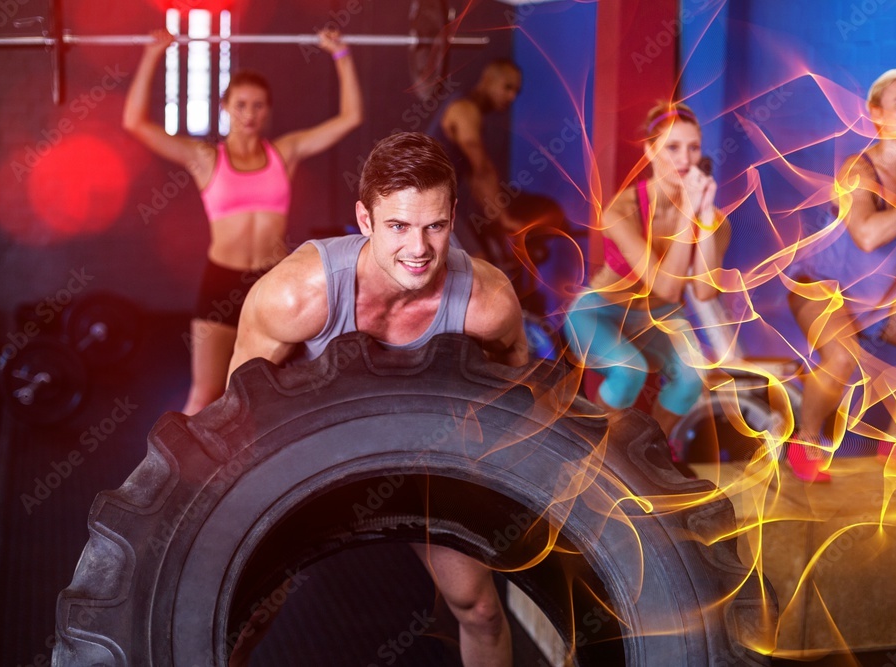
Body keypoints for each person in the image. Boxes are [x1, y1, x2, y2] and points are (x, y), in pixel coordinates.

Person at [227, 132, 527, 666]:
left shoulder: (486, 301)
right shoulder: (297, 294)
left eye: (435, 226)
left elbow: (517, 389)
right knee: (243, 607)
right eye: (398, 226)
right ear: (364, 220)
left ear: (454, 215)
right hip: (309, 454)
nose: (419, 249)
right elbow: (234, 416)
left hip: (419, 455)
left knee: (479, 608)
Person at [123, 27, 362, 415]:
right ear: (225, 107)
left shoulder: (284, 153)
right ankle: (177, 478)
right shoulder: (205, 158)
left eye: (258, 106)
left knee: (270, 400)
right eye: (241, 105)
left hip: (271, 280)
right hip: (221, 282)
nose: (249, 114)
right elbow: (135, 123)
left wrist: (340, 54)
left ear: (268, 111)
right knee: (204, 396)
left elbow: (351, 117)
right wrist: (153, 54)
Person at [787, 69, 896, 483]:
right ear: (876, 113)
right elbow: (864, 236)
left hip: (880, 292)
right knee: (841, 358)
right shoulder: (857, 169)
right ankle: (805, 440)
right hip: (823, 285)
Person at [562, 102, 731, 451]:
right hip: (599, 313)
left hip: (658, 318)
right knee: (629, 371)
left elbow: (703, 291)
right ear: (650, 150)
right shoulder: (622, 210)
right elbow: (668, 288)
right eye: (672, 147)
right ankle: (595, 456)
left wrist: (705, 219)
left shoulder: (715, 219)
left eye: (693, 147)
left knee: (693, 376)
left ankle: (650, 452)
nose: (685, 159)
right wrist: (687, 214)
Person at [426, 58, 523, 260]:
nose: (511, 96)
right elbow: (483, 169)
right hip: (430, 206)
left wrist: (497, 217)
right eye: (507, 87)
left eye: (516, 91)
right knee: (479, 270)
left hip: (436, 204)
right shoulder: (465, 110)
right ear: (487, 79)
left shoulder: (470, 111)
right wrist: (504, 219)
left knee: (476, 269)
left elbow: (476, 178)